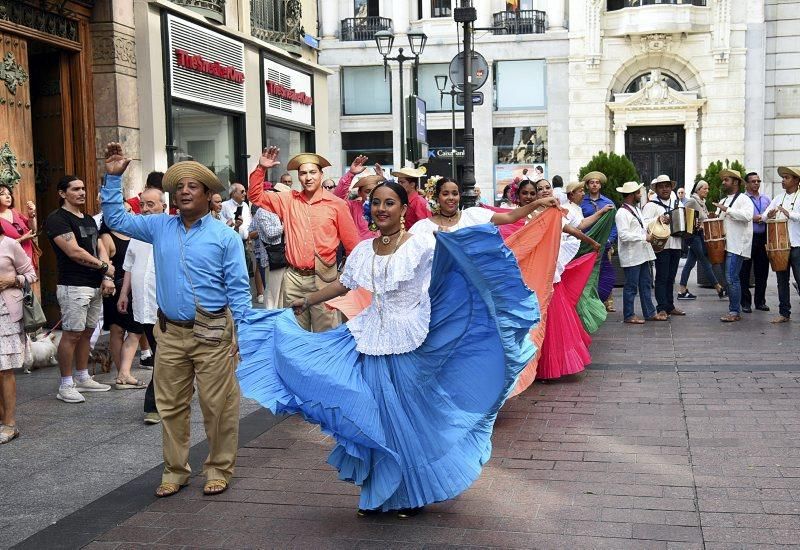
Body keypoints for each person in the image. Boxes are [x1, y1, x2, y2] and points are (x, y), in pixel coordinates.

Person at [237, 181, 539, 518]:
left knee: (406, 419)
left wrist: (482, 271)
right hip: (370, 337)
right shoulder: (365, 250)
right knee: (377, 417)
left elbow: (450, 271)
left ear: (403, 208)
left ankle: (410, 491)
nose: (382, 209)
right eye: (376, 203)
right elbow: (343, 283)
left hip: (410, 339)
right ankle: (379, 491)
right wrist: (305, 300)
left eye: (390, 203)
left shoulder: (421, 243)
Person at [101, 142, 249, 498]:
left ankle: (218, 468)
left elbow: (239, 290)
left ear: (209, 194)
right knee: (170, 406)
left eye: (192, 186)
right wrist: (112, 177)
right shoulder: (159, 227)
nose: (183, 191)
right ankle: (175, 470)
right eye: (178, 186)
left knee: (218, 406)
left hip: (213, 332)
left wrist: (244, 336)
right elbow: (116, 220)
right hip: (168, 332)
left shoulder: (225, 237)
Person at [248, 147, 360, 332]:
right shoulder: (288, 200)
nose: (308, 177)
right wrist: (261, 168)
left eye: (312, 172)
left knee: (324, 338)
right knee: (295, 336)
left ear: (321, 174)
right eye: (303, 173)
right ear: (298, 177)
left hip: (325, 280)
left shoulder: (337, 205)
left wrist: (344, 281)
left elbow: (353, 248)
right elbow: (255, 196)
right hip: (293, 279)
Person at [45, 175, 116, 403]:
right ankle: (66, 385)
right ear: (62, 193)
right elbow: (74, 252)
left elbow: (99, 246)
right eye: (75, 189)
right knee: (72, 334)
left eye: (84, 188)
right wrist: (105, 266)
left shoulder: (87, 218)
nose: (82, 192)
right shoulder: (57, 219)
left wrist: (105, 274)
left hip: (93, 284)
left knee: (87, 332)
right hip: (73, 285)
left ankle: (83, 377)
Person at [118, 187, 165, 424]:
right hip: (142, 305)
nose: (145, 209)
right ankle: (176, 391)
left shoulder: (170, 230)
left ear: (163, 205)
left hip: (164, 306)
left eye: (151, 204)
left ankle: (154, 404)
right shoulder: (137, 232)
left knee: (163, 355)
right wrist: (123, 294)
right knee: (161, 355)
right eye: (143, 204)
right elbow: (129, 265)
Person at [411, 177, 558, 235]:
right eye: (445, 194)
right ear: (437, 197)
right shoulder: (422, 227)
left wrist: (538, 202)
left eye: (454, 193)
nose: (451, 198)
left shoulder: (473, 215)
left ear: (460, 196)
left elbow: (510, 216)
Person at [100, 211, 146, 390]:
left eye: (129, 210)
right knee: (118, 331)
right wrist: (109, 281)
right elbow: (106, 262)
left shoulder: (135, 234)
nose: (128, 213)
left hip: (134, 286)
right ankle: (122, 373)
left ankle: (122, 374)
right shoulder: (106, 236)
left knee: (135, 330)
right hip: (116, 287)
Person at [0, 227, 37, 444]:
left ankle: (10, 424)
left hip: (6, 313)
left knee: (5, 369)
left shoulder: (10, 244)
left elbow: (31, 274)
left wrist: (11, 281)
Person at [713, 169, 754, 322]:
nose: (723, 182)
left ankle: (734, 311)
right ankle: (734, 309)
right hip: (725, 245)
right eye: (723, 180)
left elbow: (747, 216)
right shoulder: (723, 200)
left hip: (737, 245)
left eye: (726, 180)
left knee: (731, 278)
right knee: (730, 278)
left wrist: (727, 210)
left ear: (736, 182)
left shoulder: (744, 199)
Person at [642, 174, 685, 319]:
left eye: (667, 186)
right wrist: (658, 219)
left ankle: (670, 306)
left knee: (671, 277)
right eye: (661, 186)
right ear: (656, 189)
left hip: (676, 244)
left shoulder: (678, 204)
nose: (665, 189)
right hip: (661, 246)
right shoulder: (651, 205)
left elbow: (686, 219)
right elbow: (645, 223)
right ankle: (661, 307)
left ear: (671, 187)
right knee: (661, 277)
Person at [615, 181, 657, 323]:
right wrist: (644, 237)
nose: (640, 195)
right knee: (631, 286)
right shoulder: (622, 213)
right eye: (638, 192)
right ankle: (629, 315)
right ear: (632, 195)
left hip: (642, 254)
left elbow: (643, 224)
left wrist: (657, 220)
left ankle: (650, 313)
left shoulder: (636, 210)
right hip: (632, 256)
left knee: (645, 284)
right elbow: (623, 235)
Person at [763, 166, 800, 323]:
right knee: (781, 280)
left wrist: (788, 213)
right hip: (780, 247)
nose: (783, 180)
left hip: (797, 245)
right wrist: (769, 214)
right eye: (783, 177)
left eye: (787, 177)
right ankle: (784, 313)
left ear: (796, 180)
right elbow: (764, 217)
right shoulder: (778, 198)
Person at [678, 180, 725, 300]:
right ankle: (718, 287)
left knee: (690, 263)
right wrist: (694, 224)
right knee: (705, 261)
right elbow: (681, 213)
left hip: (699, 236)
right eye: (705, 188)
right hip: (693, 236)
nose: (707, 191)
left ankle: (682, 289)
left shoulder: (702, 203)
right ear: (698, 190)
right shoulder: (692, 201)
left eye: (708, 188)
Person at [580, 171, 617, 313]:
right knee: (588, 273)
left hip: (605, 244)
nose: (594, 185)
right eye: (591, 183)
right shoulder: (582, 202)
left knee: (605, 272)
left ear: (600, 185)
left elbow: (614, 224)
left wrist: (609, 239)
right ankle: (589, 300)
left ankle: (608, 302)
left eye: (597, 182)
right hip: (587, 244)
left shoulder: (608, 203)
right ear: (588, 186)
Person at [740, 172, 771, 313]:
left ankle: (760, 302)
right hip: (747, 237)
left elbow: (772, 215)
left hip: (763, 237)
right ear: (746, 184)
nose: (756, 183)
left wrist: (766, 217)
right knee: (744, 271)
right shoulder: (742, 199)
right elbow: (740, 217)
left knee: (762, 271)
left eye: (758, 181)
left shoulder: (766, 199)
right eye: (753, 181)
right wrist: (753, 218)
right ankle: (745, 303)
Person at [332, 155, 381, 240]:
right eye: (367, 191)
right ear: (359, 193)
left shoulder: (384, 208)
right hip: (359, 250)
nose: (372, 194)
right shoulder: (353, 207)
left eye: (375, 191)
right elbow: (337, 199)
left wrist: (384, 182)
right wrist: (351, 174)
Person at [249, 204, 284, 308]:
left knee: (280, 293)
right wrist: (284, 227)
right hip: (272, 257)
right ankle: (271, 319)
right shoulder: (263, 211)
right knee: (272, 293)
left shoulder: (278, 209)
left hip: (281, 257)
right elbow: (269, 232)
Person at [0, 184, 38, 268]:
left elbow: (33, 230)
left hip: (27, 259)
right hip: (10, 264)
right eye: (2, 194)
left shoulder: (14, 212)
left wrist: (31, 215)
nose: (8, 196)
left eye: (9, 194)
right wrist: (22, 239)